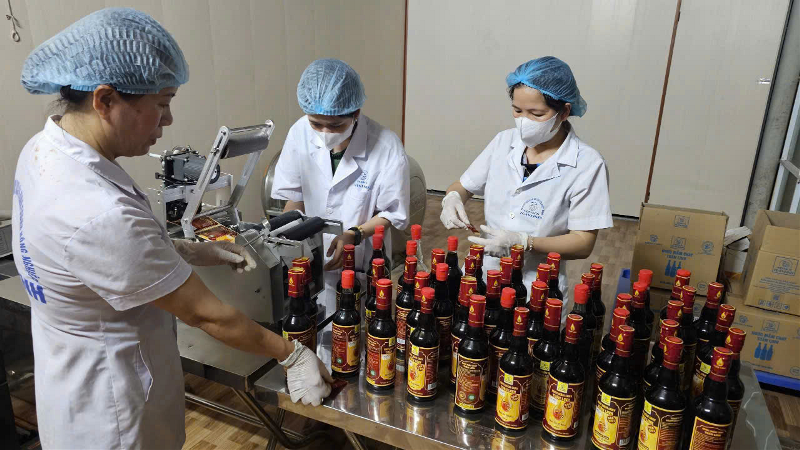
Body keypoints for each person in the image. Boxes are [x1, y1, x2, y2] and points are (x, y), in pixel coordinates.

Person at [13, 8, 331, 449]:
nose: (168, 120)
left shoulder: (44, 150)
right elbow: (205, 313)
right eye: (162, 104)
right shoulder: (96, 211)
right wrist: (290, 354)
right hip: (112, 416)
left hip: (70, 379)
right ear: (105, 100)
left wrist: (184, 250)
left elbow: (103, 258)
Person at [440, 56, 612, 316]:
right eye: (517, 111)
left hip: (537, 287)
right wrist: (453, 197)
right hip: (484, 273)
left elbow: (582, 242)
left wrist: (524, 242)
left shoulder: (587, 164)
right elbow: (463, 185)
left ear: (564, 111)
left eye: (536, 114)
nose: (524, 121)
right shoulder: (503, 142)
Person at [271, 59, 410, 331]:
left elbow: (392, 213)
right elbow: (294, 198)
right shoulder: (299, 133)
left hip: (358, 262)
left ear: (355, 112)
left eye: (335, 126)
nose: (324, 133)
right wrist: (290, 242)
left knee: (355, 335)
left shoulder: (386, 146)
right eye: (316, 124)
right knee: (309, 330)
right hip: (312, 260)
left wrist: (352, 235)